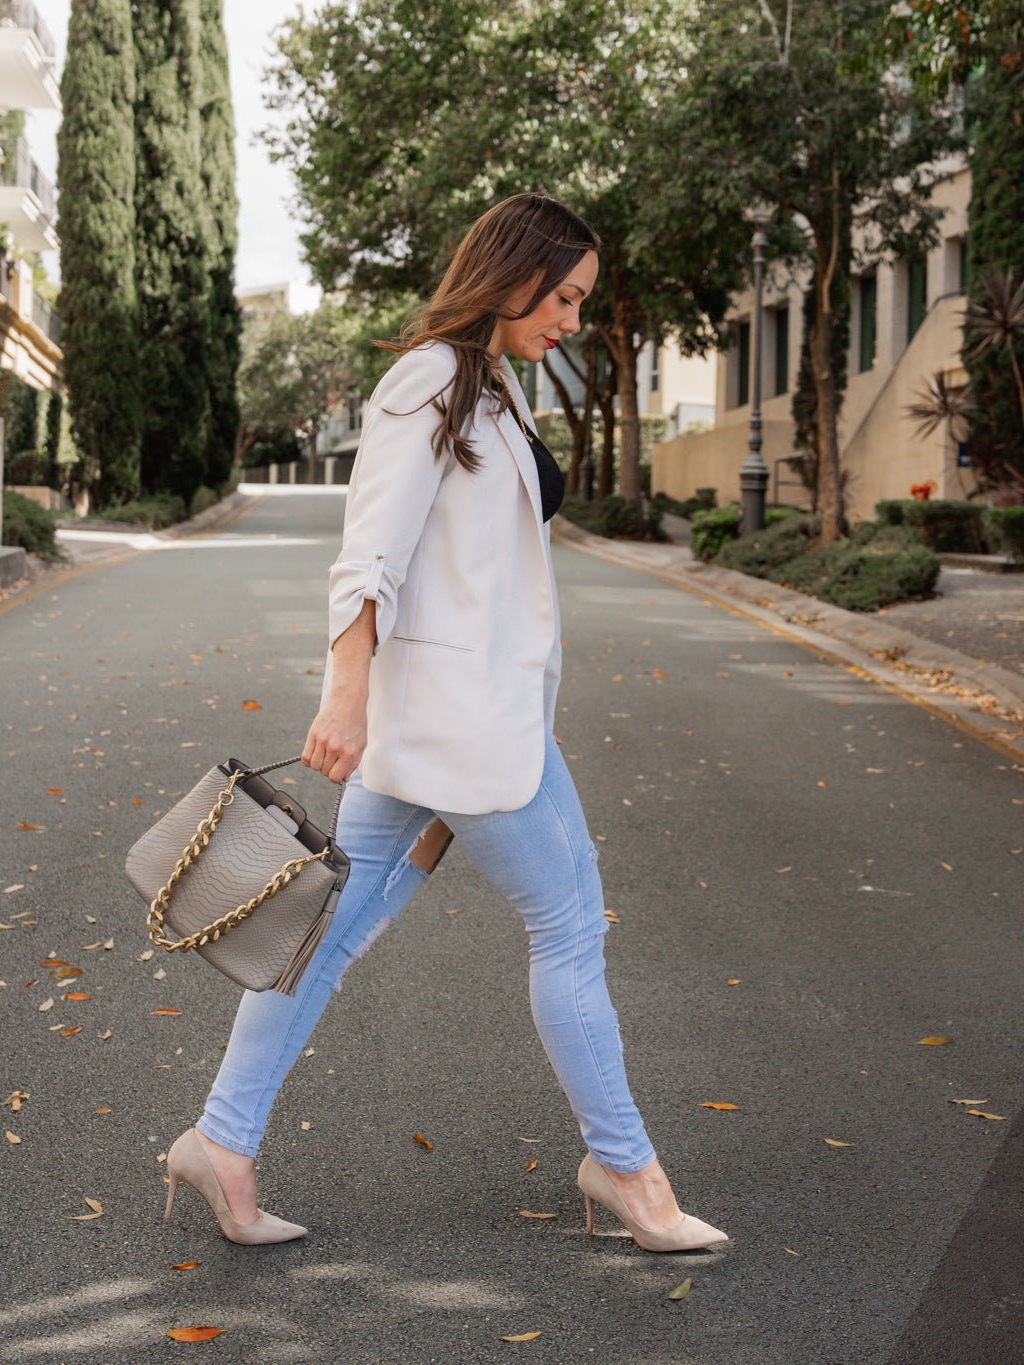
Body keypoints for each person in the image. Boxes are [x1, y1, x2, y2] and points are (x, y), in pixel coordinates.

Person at [161, 192, 727, 1254]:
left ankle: (220, 1144)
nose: (571, 318)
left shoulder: (488, 382)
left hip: (448, 728)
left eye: (579, 301)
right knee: (565, 927)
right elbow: (369, 552)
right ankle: (626, 1174)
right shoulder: (428, 378)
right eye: (561, 295)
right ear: (509, 275)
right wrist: (342, 693)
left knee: (320, 940)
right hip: (459, 731)